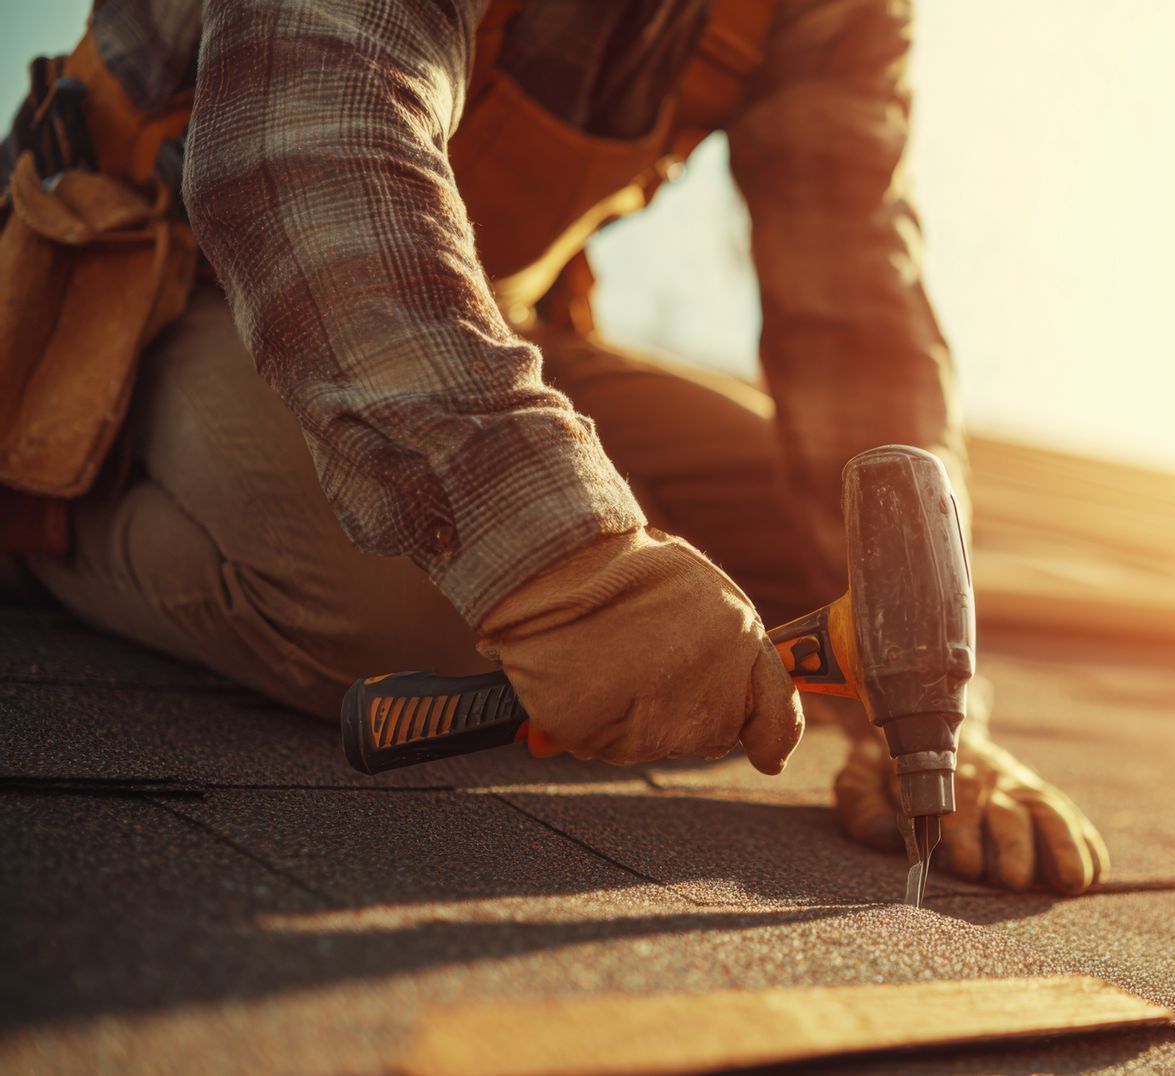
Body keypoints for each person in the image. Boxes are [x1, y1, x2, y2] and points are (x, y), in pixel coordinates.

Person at [5, 0, 1108, 894]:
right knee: (399, 607)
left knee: (818, 539)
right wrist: (563, 566)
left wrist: (932, 681)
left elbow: (858, 306)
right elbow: (305, 136)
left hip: (457, 311)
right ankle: (53, 503)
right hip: (168, 282)